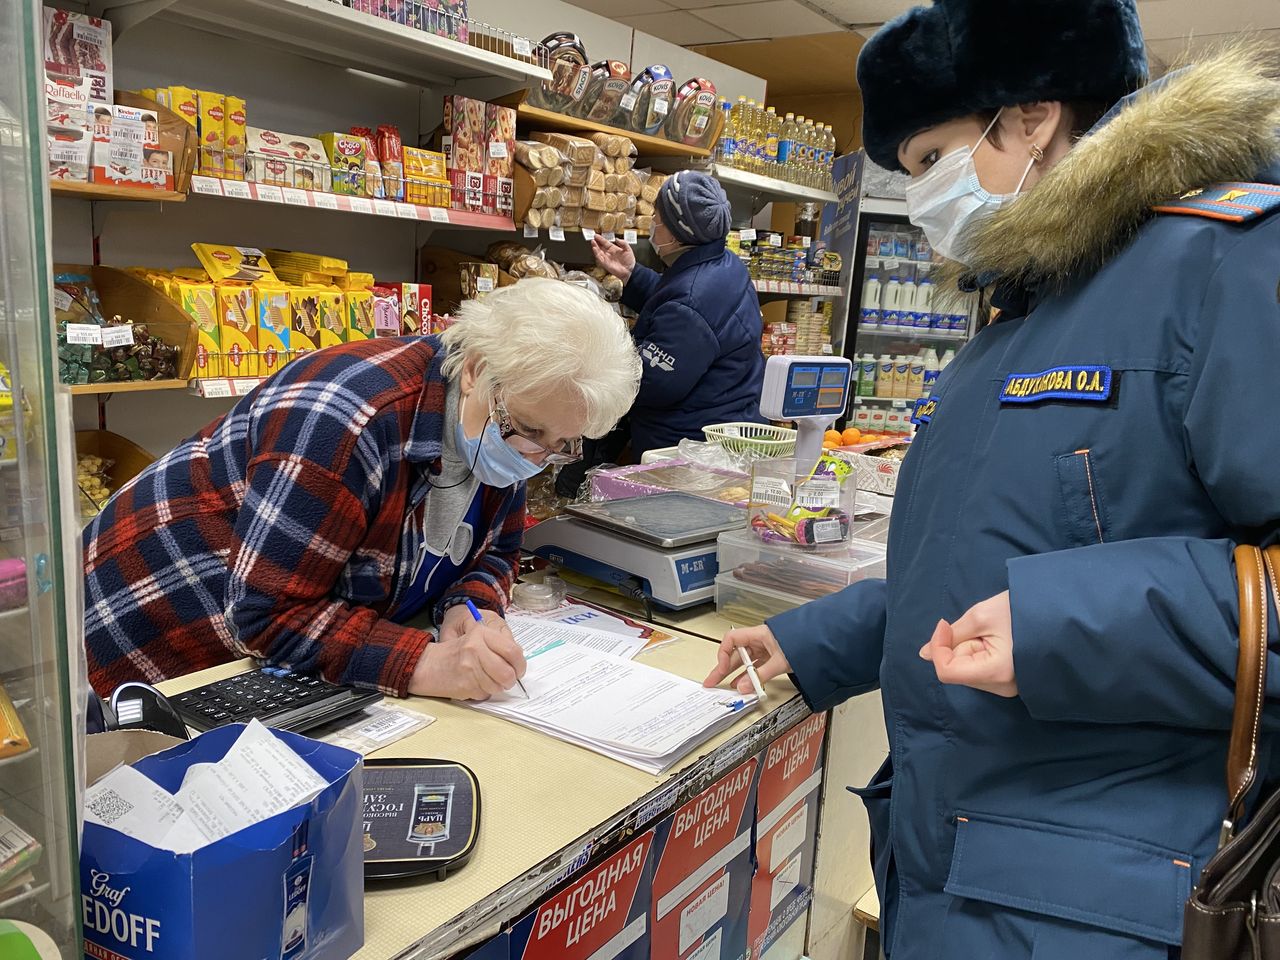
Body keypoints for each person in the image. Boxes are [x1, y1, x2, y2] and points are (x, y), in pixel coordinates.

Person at [706, 3, 1280, 958]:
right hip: (959, 867)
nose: (923, 196)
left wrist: (1060, 626)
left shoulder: (1227, 265)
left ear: (1029, 119)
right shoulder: (1024, 314)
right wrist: (818, 638)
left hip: (1111, 898)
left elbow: (1052, 599)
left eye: (932, 160)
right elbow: (994, 558)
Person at [84, 279, 641, 701]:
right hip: (151, 646)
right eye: (529, 431)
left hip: (269, 661)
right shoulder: (347, 418)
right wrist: (421, 662)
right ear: (474, 369)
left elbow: (496, 548)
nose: (535, 458)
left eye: (564, 444)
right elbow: (264, 615)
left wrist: (472, 608)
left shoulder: (508, 417)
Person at [591, 170, 765, 458]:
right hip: (726, 426)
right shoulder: (723, 262)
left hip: (688, 453)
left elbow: (650, 384)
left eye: (657, 218)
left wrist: (596, 353)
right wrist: (633, 275)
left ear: (675, 232)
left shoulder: (691, 301)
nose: (652, 224)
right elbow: (681, 304)